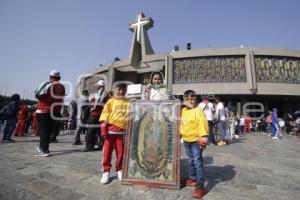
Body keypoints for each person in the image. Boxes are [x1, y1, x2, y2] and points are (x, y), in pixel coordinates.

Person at [99, 83, 130, 184]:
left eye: (123, 89)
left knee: (121, 153)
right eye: (119, 89)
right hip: (110, 131)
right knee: (107, 152)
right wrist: (104, 130)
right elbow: (105, 115)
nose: (121, 91)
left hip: (122, 132)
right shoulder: (110, 101)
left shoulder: (128, 102)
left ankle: (119, 169)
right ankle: (105, 171)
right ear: (115, 90)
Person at [180, 90, 208, 199]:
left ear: (196, 100)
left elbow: (203, 126)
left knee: (197, 162)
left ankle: (200, 185)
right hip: (186, 140)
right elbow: (181, 124)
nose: (190, 101)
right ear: (184, 100)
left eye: (192, 99)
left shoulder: (199, 111)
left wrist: (203, 141)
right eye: (187, 99)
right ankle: (192, 178)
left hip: (196, 141)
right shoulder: (183, 111)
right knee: (190, 160)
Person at [34, 70, 65, 156]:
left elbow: (37, 95)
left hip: (44, 110)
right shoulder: (62, 86)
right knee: (47, 131)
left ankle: (44, 150)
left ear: (50, 77)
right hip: (55, 111)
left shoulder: (48, 84)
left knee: (43, 131)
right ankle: (43, 147)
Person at [83, 80, 109, 151]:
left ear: (100, 85)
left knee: (90, 131)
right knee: (100, 131)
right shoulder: (104, 93)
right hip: (100, 115)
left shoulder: (101, 93)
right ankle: (101, 146)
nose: (96, 86)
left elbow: (97, 103)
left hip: (95, 114)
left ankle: (89, 146)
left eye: (97, 85)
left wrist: (92, 107)